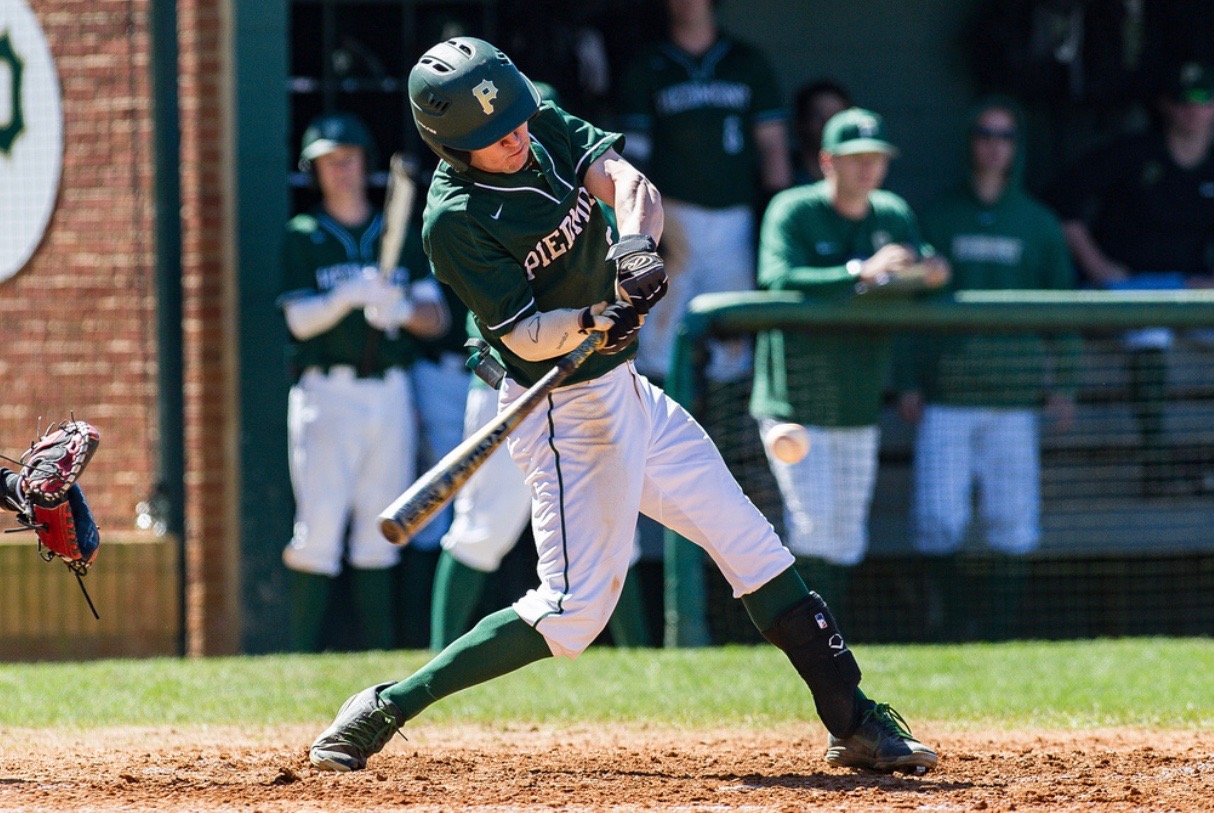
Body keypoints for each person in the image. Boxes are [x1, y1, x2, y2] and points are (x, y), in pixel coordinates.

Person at [308, 37, 936, 776]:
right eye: (494, 136)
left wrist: (635, 247)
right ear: (452, 144)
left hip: (626, 389)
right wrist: (593, 316)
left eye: (514, 120)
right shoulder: (455, 220)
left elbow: (626, 180)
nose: (515, 137)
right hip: (565, 410)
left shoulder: (532, 118)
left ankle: (855, 721)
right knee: (573, 610)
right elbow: (526, 336)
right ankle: (384, 705)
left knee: (753, 546)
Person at [749, 107, 950, 613]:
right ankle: (807, 639)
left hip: (857, 396)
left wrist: (932, 271)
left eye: (876, 158)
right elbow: (777, 277)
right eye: (855, 158)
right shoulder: (793, 209)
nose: (868, 169)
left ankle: (831, 641)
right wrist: (860, 271)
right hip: (793, 398)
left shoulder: (892, 213)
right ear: (827, 161)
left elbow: (923, 265)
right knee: (812, 525)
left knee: (846, 535)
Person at [896, 98, 1079, 641]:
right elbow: (909, 308)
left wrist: (1063, 385)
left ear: (1016, 147)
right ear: (971, 142)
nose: (994, 144)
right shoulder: (939, 217)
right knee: (938, 519)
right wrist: (908, 381)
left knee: (1013, 521)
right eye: (984, 133)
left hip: (1014, 399)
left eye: (1005, 135)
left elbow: (1066, 314)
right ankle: (951, 626)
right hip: (947, 397)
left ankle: (1001, 632)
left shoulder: (1040, 224)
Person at [277, 112, 448, 652]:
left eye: (347, 160)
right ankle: (301, 656)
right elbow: (299, 320)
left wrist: (397, 308)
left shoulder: (394, 231)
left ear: (364, 164)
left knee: (383, 526)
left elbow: (436, 318)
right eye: (328, 163)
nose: (340, 172)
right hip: (327, 392)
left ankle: (383, 656)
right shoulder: (304, 236)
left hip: (390, 390)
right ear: (315, 170)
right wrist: (346, 297)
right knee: (320, 529)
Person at [1049, 60, 1214, 497]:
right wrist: (1099, 266)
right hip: (1126, 291)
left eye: (1203, 101)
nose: (1193, 111)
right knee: (1150, 330)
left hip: (1190, 293)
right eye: (1183, 101)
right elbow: (1060, 202)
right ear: (1165, 107)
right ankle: (1157, 462)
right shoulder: (1133, 152)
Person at [617, 0, 791, 386]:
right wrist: (641, 225)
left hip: (735, 217)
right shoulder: (649, 65)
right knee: (659, 334)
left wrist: (771, 216)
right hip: (673, 216)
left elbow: (773, 148)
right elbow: (634, 158)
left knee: (734, 338)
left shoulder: (746, 61)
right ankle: (658, 426)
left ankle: (726, 431)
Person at [792, 79, 852, 185]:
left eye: (836, 116)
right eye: (818, 117)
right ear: (800, 123)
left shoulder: (865, 172)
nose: (828, 124)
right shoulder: (783, 172)